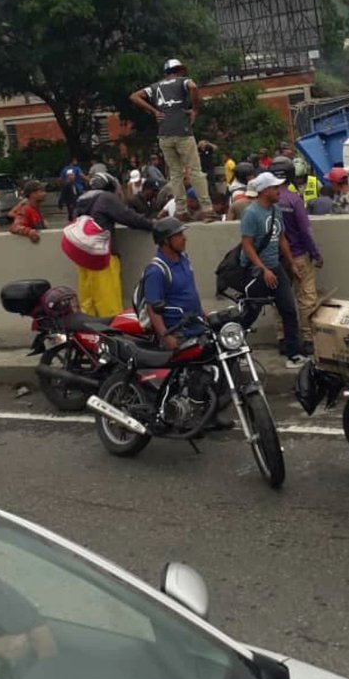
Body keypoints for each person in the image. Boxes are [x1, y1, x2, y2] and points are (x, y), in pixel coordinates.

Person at [134, 218, 232, 429]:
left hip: (195, 325)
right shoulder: (156, 270)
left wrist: (204, 315)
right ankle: (181, 415)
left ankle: (210, 413)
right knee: (194, 373)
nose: (183, 238)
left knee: (220, 361)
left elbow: (189, 293)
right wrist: (165, 335)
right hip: (177, 331)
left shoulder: (184, 259)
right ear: (165, 241)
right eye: (178, 235)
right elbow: (152, 308)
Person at [129, 59, 215, 221]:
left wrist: (154, 111)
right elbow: (193, 87)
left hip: (164, 134)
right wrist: (194, 109)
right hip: (183, 132)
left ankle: (181, 210)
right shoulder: (183, 81)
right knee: (195, 171)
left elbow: (134, 96)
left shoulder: (155, 87)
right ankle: (207, 209)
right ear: (180, 70)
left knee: (175, 174)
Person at [239, 172, 306, 369]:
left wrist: (291, 263)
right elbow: (247, 245)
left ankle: (294, 354)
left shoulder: (276, 210)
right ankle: (234, 347)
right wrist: (263, 269)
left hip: (275, 267)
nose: (279, 191)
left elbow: (281, 238)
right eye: (275, 188)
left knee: (288, 310)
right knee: (251, 311)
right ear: (265, 191)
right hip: (255, 271)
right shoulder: (251, 213)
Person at [74, 172, 154, 316]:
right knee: (109, 305)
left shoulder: (83, 200)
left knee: (88, 305)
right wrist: (153, 224)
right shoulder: (106, 198)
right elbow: (128, 217)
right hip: (103, 258)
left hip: (84, 258)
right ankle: (111, 330)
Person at [269, 156, 323, 353]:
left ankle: (283, 338)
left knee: (279, 299)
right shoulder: (294, 200)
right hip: (298, 255)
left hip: (274, 259)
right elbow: (305, 231)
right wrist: (316, 254)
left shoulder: (266, 202)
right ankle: (308, 339)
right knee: (306, 298)